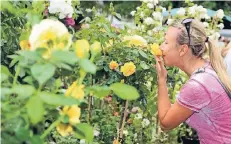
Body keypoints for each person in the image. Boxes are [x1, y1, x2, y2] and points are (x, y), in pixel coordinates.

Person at [154, 18, 231, 144]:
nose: (161, 47)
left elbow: (165, 123)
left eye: (166, 42)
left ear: (183, 50)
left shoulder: (198, 85)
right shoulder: (207, 69)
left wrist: (161, 80)